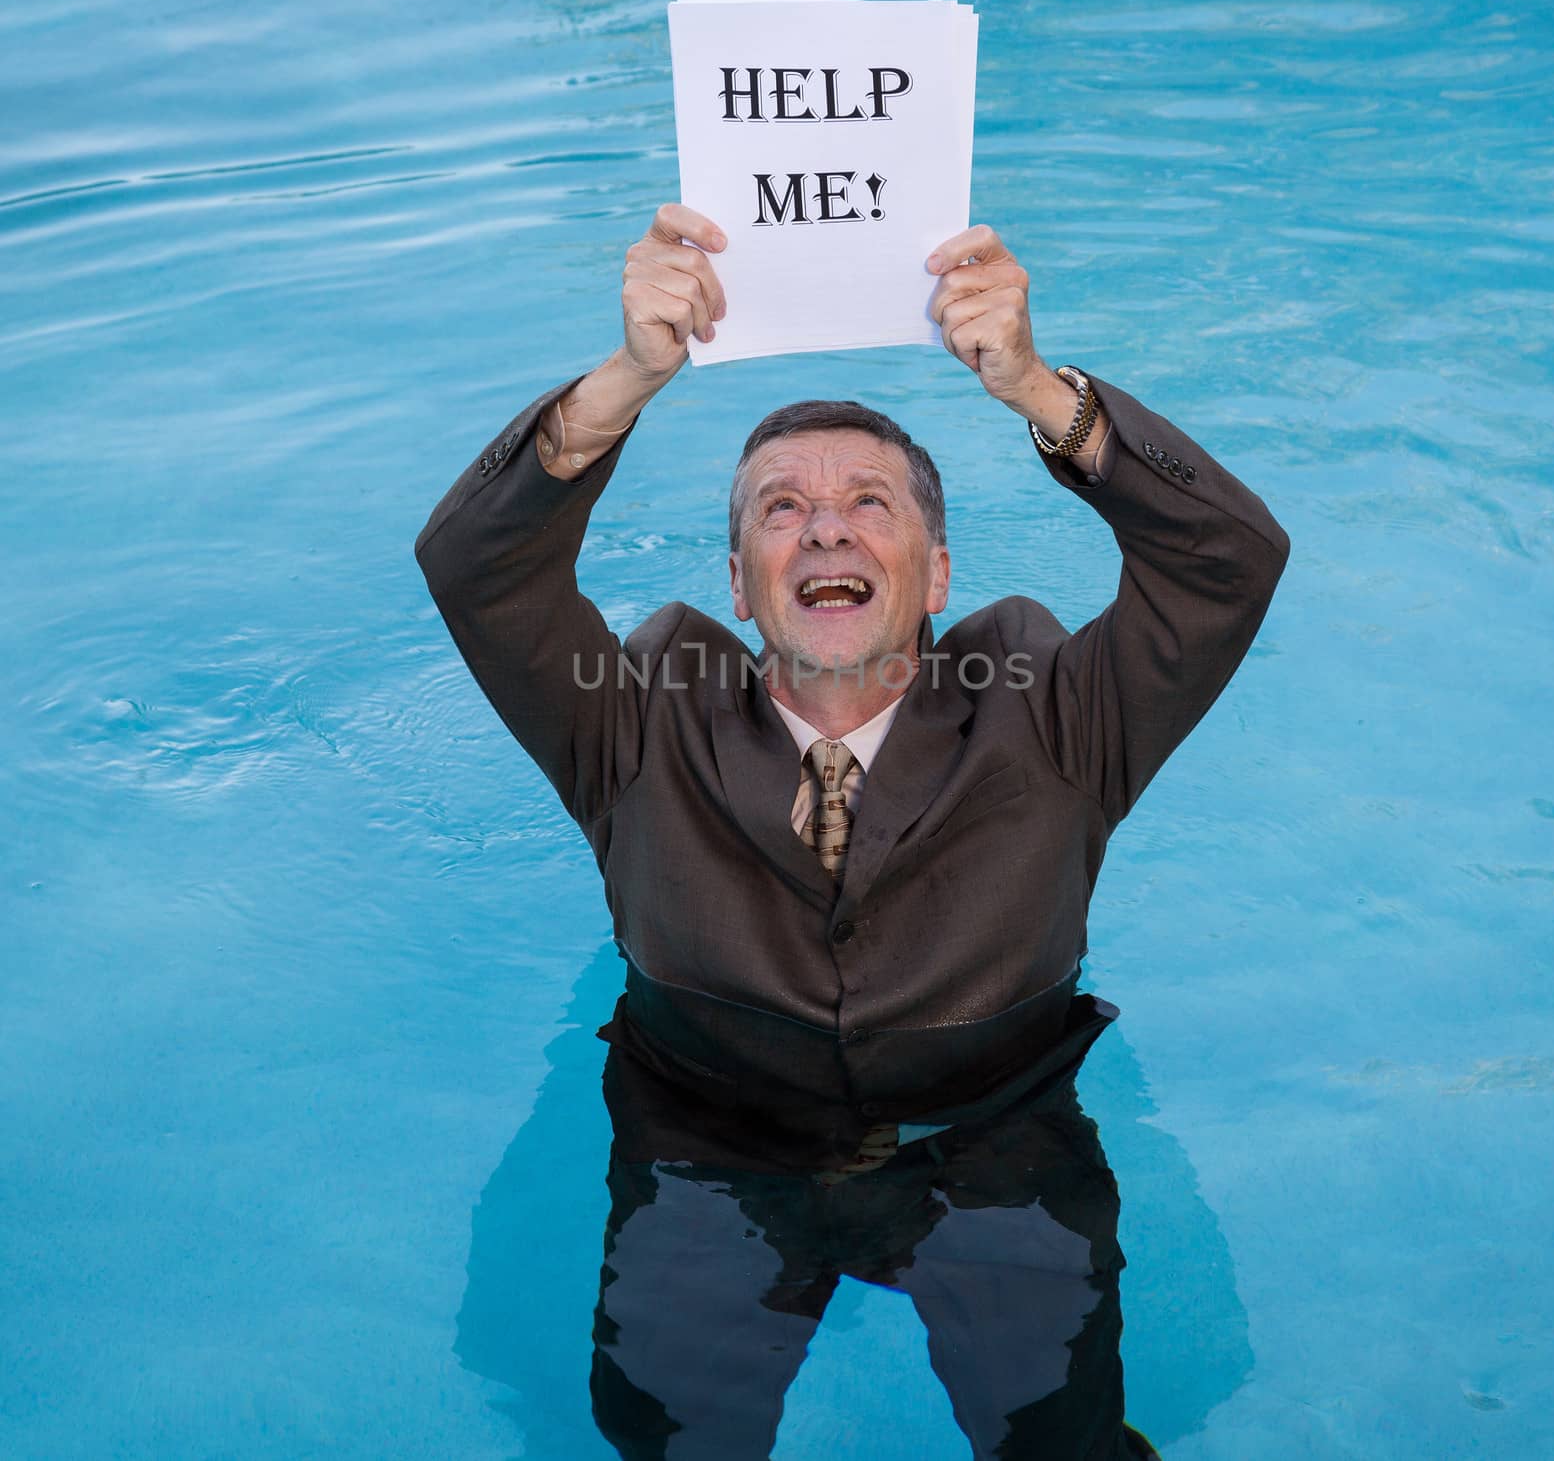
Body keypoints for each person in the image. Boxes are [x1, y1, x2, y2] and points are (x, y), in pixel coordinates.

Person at [416, 204, 1288, 1459]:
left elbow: (1226, 563)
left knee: (1064, 1444)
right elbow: (476, 567)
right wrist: (628, 378)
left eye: (868, 501)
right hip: (708, 1152)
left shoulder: (1061, 717)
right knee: (664, 1438)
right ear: (738, 586)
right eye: (781, 508)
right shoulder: (632, 725)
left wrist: (1044, 392)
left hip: (990, 1146)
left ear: (935, 575)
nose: (825, 526)